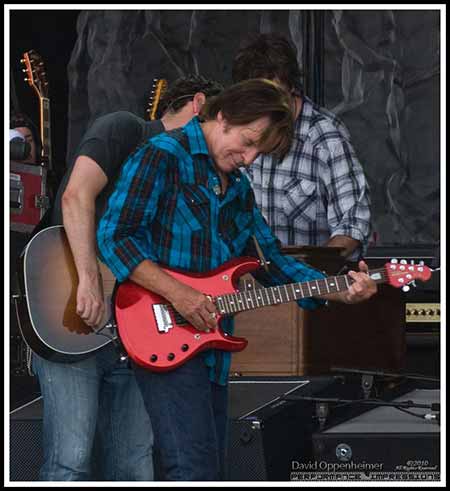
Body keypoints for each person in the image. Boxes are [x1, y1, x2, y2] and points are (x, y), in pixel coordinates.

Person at [96, 78, 378, 481]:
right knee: (190, 468)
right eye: (247, 142)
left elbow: (272, 261)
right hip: (161, 328)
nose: (249, 158)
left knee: (208, 467)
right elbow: (114, 236)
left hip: (211, 345)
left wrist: (338, 290)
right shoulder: (162, 155)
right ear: (222, 116)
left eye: (257, 152)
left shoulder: (239, 188)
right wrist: (180, 295)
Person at [30, 74, 224, 481]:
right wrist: (88, 279)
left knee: (134, 463)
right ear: (198, 105)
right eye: (217, 122)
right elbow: (76, 195)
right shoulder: (123, 128)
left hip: (139, 332)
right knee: (72, 457)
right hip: (71, 312)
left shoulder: (190, 173)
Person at [232, 33, 371, 261]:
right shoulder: (242, 134)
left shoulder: (326, 138)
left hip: (307, 284)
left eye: (274, 95)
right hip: (252, 283)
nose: (268, 107)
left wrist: (311, 275)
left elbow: (353, 224)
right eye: (258, 99)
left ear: (291, 86)